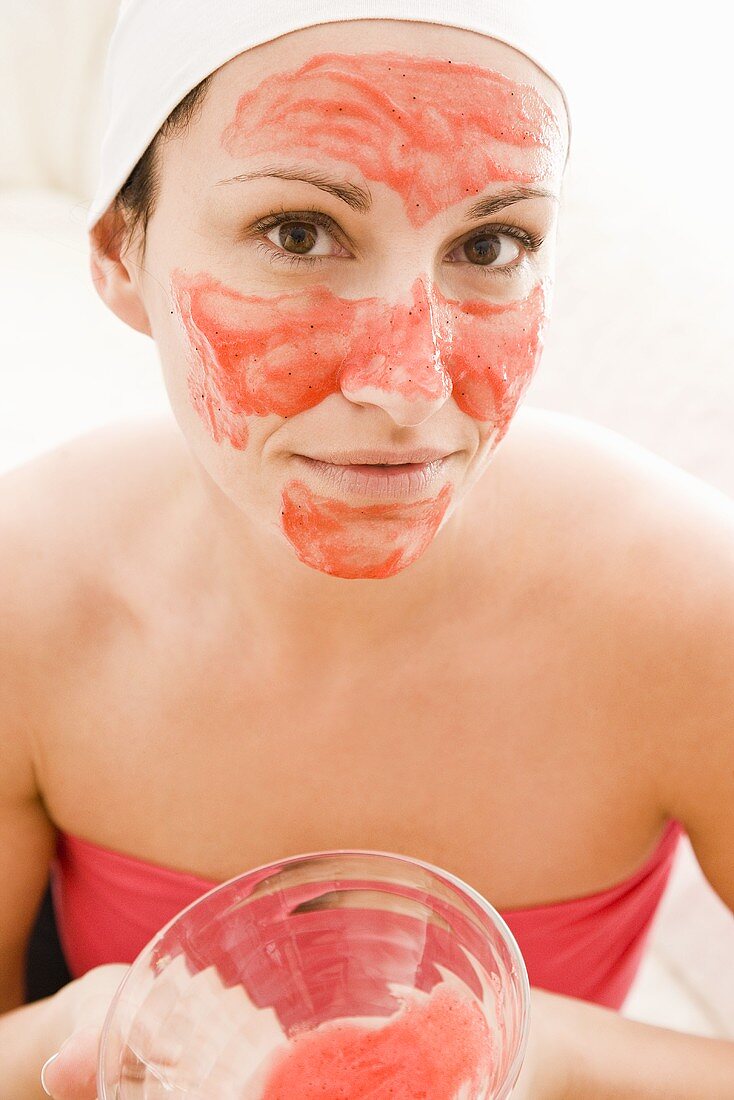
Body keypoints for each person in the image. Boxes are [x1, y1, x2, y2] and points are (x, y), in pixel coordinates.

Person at [1, 1, 732, 1097]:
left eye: (491, 244)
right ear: (120, 252)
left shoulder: (686, 609)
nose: (406, 383)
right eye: (298, 232)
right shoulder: (28, 592)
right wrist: (74, 1026)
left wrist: (547, 1054)